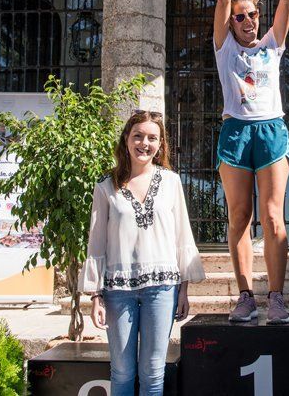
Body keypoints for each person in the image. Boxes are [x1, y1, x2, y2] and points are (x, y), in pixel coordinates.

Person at [80, 111, 206, 396]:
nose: (144, 143)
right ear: (126, 139)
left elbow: (182, 235)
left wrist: (183, 290)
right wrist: (95, 296)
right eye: (138, 135)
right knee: (122, 372)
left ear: (160, 144)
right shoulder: (105, 186)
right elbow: (96, 243)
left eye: (152, 137)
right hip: (118, 291)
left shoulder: (172, 182)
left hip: (162, 290)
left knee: (153, 373)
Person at [213, 0, 289, 324]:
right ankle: (246, 295)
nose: (247, 20)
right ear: (231, 21)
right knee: (239, 216)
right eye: (240, 16)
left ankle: (276, 297)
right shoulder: (225, 48)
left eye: (252, 14)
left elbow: (288, 4)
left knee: (274, 216)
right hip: (235, 131)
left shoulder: (272, 46)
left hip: (271, 129)